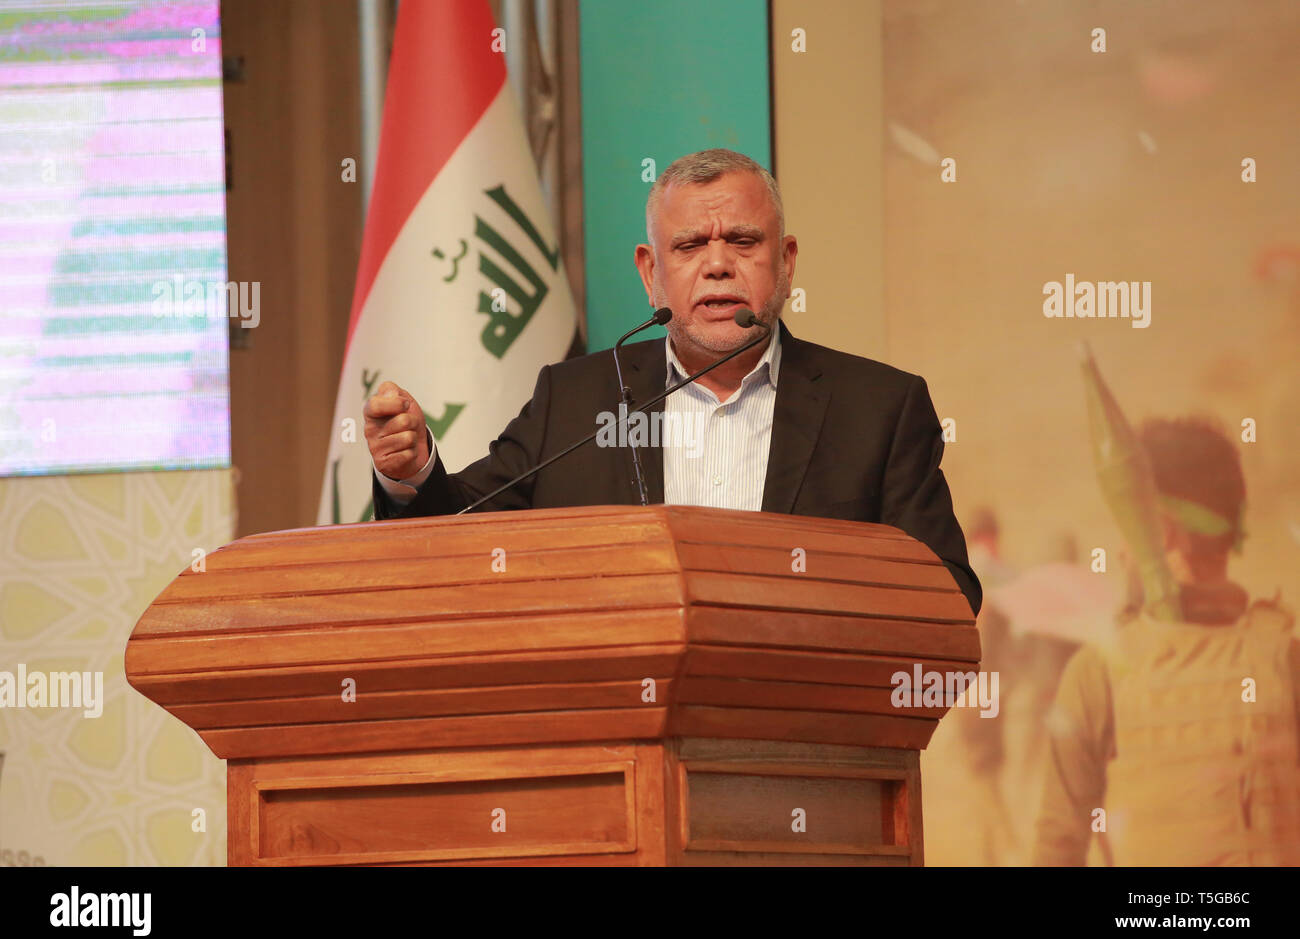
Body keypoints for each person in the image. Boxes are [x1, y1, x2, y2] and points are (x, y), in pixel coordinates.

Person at [362, 148, 981, 616]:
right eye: (689, 246)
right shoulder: (576, 402)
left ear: (786, 261)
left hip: (811, 757)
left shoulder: (877, 408)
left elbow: (948, 592)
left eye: (742, 241)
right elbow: (458, 541)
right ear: (650, 273)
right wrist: (410, 474)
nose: (717, 264)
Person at [1032, 416, 1300, 865]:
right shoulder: (1286, 664)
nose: (1120, 551)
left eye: (1127, 528)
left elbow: (1057, 849)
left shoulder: (1098, 674)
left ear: (1162, 530)